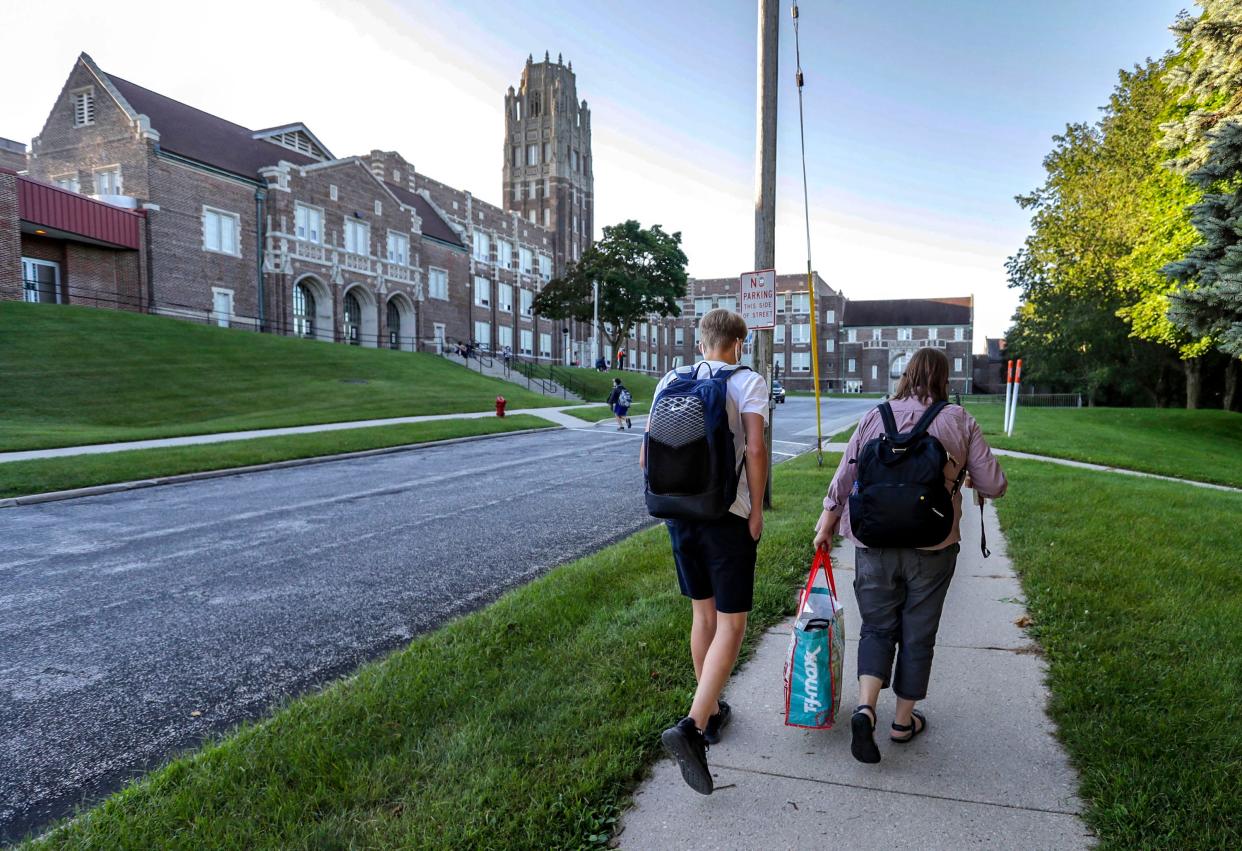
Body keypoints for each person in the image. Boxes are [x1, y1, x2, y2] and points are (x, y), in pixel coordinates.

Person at [812, 348, 1007, 764]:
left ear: (906, 374)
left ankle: (866, 708)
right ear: (943, 379)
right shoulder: (958, 420)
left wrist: (827, 523)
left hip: (873, 542)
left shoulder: (874, 416)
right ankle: (902, 721)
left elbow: (846, 473)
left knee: (877, 627)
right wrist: (963, 477)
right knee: (918, 631)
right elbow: (995, 484)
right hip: (932, 546)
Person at [641, 308, 769, 795]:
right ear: (738, 344)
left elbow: (646, 453)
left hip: (678, 515)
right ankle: (693, 726)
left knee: (703, 616)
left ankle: (711, 712)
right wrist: (755, 510)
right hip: (725, 517)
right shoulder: (747, 382)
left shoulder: (668, 381)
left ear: (700, 343)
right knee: (733, 624)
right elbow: (754, 450)